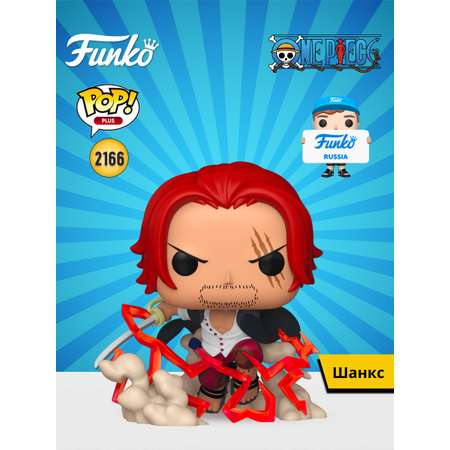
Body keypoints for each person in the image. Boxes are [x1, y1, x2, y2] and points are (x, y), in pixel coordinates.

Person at [131, 162, 321, 412]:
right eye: (187, 263)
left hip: (244, 351)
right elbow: (173, 310)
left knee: (248, 355)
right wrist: (161, 311)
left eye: (269, 264)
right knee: (210, 375)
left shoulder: (255, 317)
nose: (228, 280)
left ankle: (248, 386)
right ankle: (211, 393)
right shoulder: (197, 312)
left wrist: (293, 344)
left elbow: (281, 334)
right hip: (210, 351)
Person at [302, 96, 372, 178]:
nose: (335, 128)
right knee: (329, 154)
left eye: (348, 122)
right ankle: (329, 169)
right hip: (327, 150)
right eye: (323, 122)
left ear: (357, 123)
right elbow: (311, 143)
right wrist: (306, 140)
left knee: (342, 153)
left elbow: (362, 142)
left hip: (344, 150)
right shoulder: (319, 137)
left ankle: (342, 169)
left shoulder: (352, 137)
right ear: (314, 124)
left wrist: (365, 139)